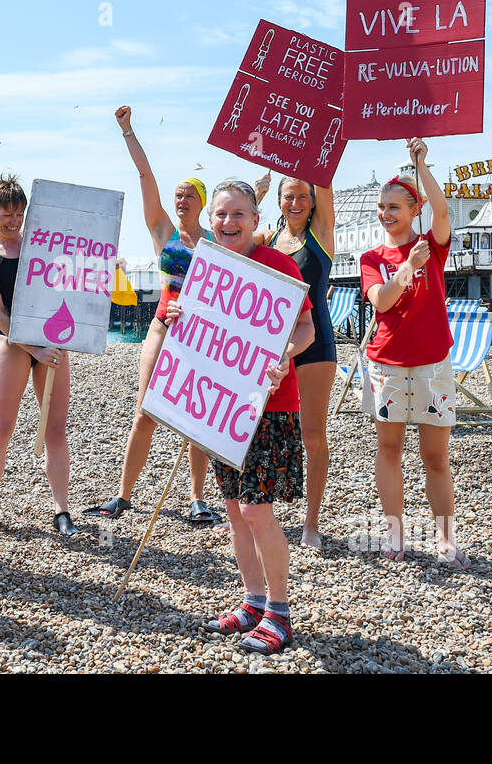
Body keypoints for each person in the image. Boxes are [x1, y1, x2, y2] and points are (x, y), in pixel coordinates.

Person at [187, 179, 314, 655]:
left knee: (256, 511)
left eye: (237, 214)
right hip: (221, 402)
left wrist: (285, 352)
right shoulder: (205, 265)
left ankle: (279, 613)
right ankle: (252, 601)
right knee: (237, 515)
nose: (227, 223)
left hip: (270, 404)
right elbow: (191, 327)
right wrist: (178, 316)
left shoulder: (278, 266)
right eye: (219, 214)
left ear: (256, 221)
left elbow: (306, 327)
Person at [84, 105, 219, 525]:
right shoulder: (163, 231)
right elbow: (146, 178)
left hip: (201, 335)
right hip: (162, 324)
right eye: (177, 194)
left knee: (197, 420)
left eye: (188, 195)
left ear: (203, 202)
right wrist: (128, 131)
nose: (180, 199)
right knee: (145, 412)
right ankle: (123, 495)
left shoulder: (218, 241)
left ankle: (197, 499)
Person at [358, 137, 468, 569]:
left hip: (433, 362)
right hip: (387, 362)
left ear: (412, 210)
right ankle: (395, 532)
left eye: (394, 208)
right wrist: (407, 268)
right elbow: (381, 300)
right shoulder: (372, 256)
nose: (386, 215)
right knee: (388, 450)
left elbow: (442, 213)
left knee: (435, 456)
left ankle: (445, 538)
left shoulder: (433, 246)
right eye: (382, 208)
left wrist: (421, 165)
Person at [0, 175, 79, 537]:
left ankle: (62, 510)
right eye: (6, 215)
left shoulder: (41, 247)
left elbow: (69, 286)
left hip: (52, 344)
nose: (14, 221)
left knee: (56, 429)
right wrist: (35, 349)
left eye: (19, 213)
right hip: (12, 344)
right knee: (0, 428)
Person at [253, 175, 337, 549]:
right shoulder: (267, 240)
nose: (297, 203)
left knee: (312, 434)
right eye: (290, 197)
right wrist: (256, 193)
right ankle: (253, 510)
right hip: (270, 347)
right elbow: (230, 237)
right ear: (280, 201)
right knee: (258, 427)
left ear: (313, 201)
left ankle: (312, 524)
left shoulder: (320, 233)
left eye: (304, 196)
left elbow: (325, 180)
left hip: (314, 344)